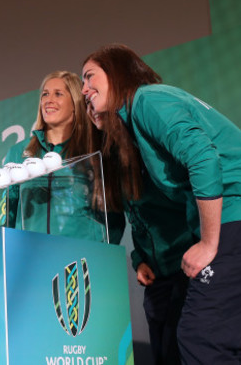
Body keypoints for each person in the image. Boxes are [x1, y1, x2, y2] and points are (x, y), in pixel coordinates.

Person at [81, 44, 241, 364]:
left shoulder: (147, 100)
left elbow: (202, 157)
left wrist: (209, 243)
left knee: (202, 338)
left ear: (117, 71)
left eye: (89, 77)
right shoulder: (139, 114)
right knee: (225, 345)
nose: (84, 89)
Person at [88, 101, 190, 364]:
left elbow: (188, 201)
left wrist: (200, 246)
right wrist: (139, 259)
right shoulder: (108, 163)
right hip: (156, 274)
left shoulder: (149, 149)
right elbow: (137, 218)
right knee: (164, 355)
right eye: (88, 106)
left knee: (189, 349)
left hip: (188, 265)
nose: (91, 106)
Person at [4, 71, 120, 242]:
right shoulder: (18, 152)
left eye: (58, 94)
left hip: (82, 259)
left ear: (75, 102)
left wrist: (103, 252)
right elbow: (7, 212)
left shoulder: (95, 148)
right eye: (45, 94)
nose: (48, 100)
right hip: (30, 257)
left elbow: (114, 214)